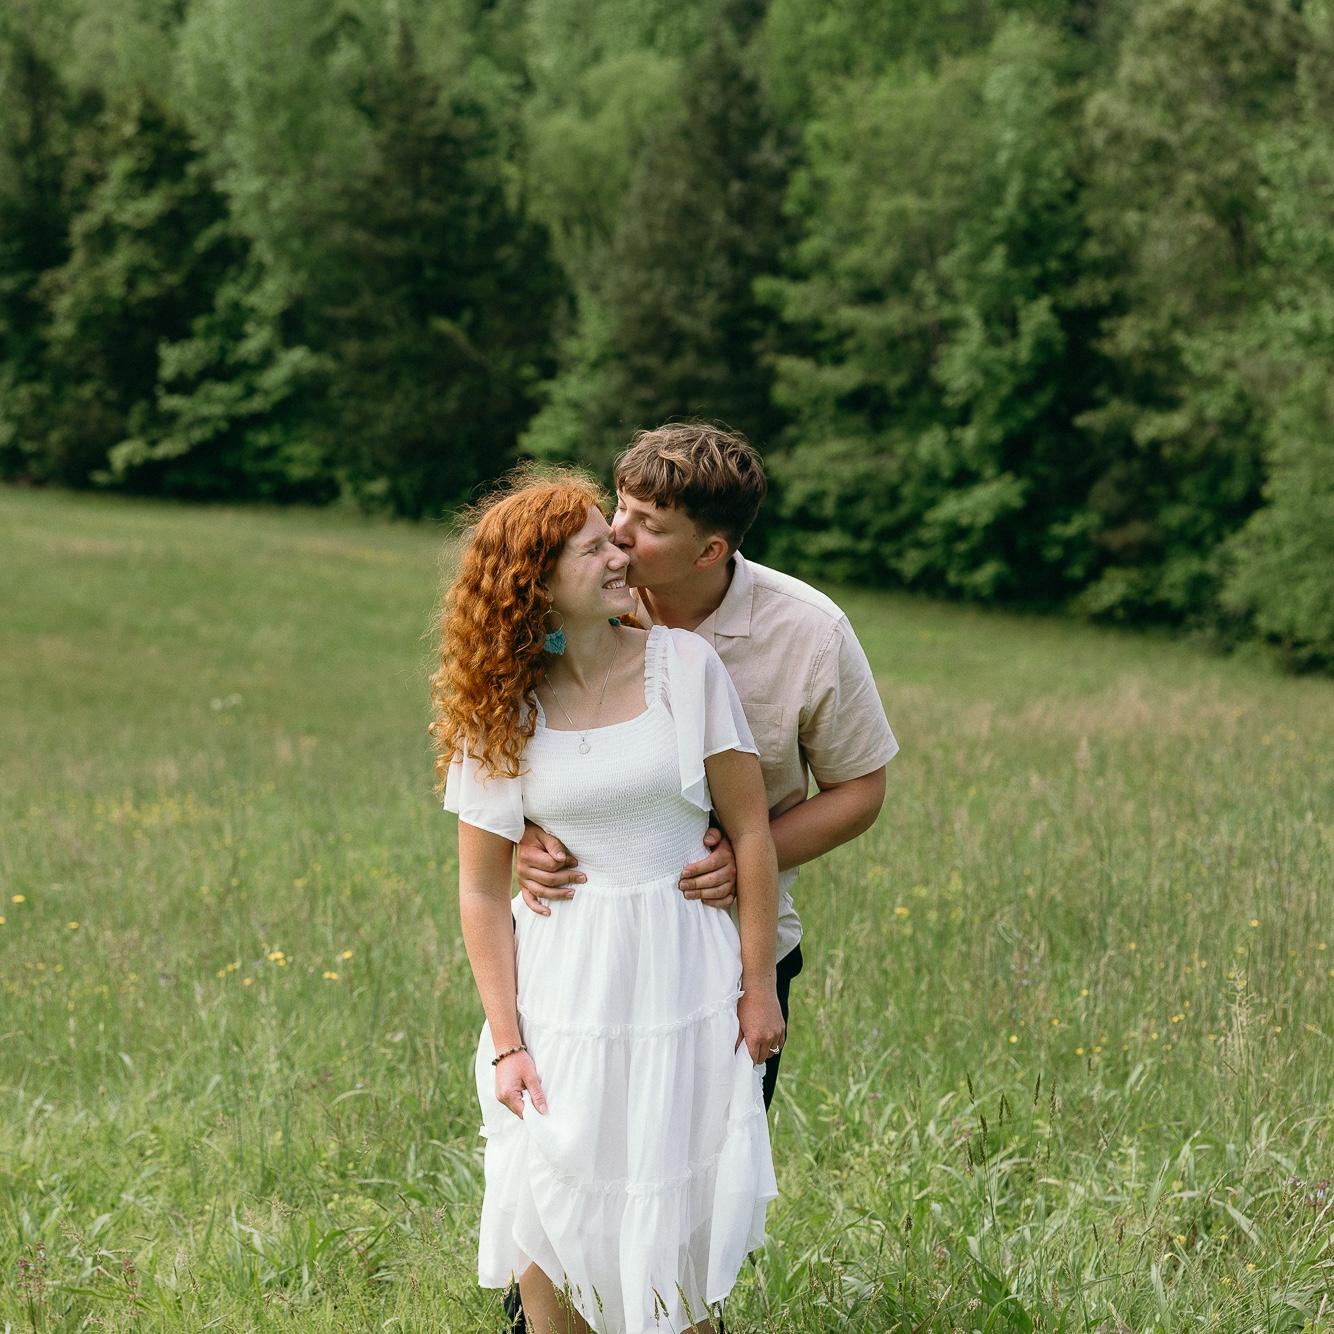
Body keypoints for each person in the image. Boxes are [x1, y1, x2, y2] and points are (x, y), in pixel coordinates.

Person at [430, 467, 786, 1334]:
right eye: (593, 549)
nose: (619, 552)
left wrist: (758, 988)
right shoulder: (503, 706)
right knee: (552, 1204)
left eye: (611, 537)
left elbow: (751, 833)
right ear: (537, 584)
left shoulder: (686, 668)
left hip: (683, 981)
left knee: (679, 1221)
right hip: (561, 991)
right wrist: (508, 1043)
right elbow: (479, 888)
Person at [518, 423, 898, 1112]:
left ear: (710, 551)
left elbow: (862, 789)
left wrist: (748, 857)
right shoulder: (575, 600)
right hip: (586, 947)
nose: (618, 534)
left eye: (649, 525)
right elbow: (501, 748)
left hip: (732, 948)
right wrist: (524, 837)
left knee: (715, 1156)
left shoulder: (810, 632)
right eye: (621, 506)